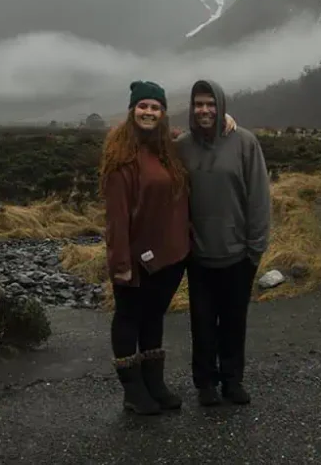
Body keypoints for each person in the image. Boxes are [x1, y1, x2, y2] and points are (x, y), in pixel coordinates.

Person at [176, 79, 272, 406]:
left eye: (210, 104)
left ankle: (233, 380)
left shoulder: (245, 143)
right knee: (201, 324)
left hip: (238, 255)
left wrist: (255, 250)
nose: (204, 110)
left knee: (233, 322)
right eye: (198, 104)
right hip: (199, 255)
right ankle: (205, 383)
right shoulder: (182, 147)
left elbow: (258, 199)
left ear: (220, 106)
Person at [100, 79, 192, 416]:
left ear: (163, 113)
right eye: (143, 106)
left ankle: (155, 383)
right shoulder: (121, 156)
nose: (149, 112)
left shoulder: (165, 149)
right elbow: (117, 215)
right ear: (132, 110)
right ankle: (133, 391)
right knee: (128, 318)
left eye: (155, 107)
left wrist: (229, 123)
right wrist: (121, 260)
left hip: (170, 256)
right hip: (136, 258)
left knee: (153, 317)